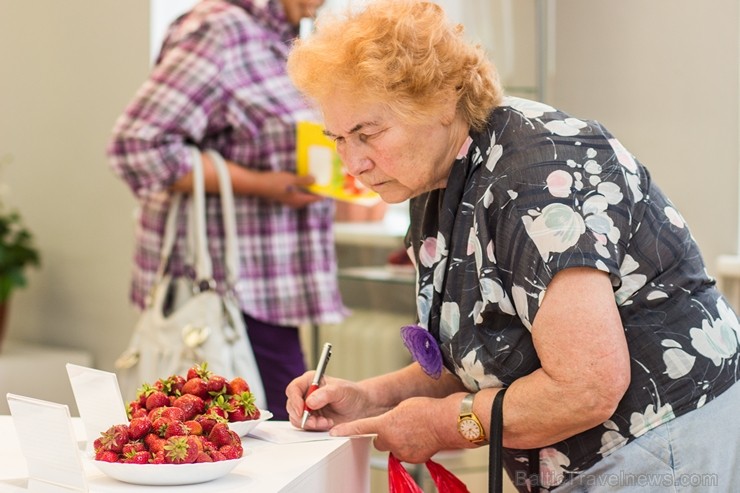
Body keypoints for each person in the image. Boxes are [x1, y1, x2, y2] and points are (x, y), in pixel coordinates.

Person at [284, 0, 740, 491]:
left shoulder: (535, 175)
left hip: (657, 443)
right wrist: (368, 397)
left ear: (440, 100)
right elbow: (479, 356)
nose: (353, 163)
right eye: (337, 139)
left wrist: (442, 425)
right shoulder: (435, 179)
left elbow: (586, 388)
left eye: (367, 134)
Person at [107, 0, 346, 421]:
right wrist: (263, 185)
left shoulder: (282, 39)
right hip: (226, 294)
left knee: (265, 449)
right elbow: (137, 145)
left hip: (268, 295)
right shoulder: (219, 30)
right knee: (270, 448)